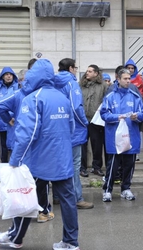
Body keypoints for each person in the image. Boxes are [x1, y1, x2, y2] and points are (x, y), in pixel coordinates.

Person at [0, 59, 80, 250]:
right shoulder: (62, 97)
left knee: (24, 196)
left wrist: (15, 161)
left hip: (38, 159)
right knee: (67, 200)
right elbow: (71, 127)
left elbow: (26, 135)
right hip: (61, 158)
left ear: (34, 77)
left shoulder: (32, 98)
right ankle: (71, 242)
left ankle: (16, 238)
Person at [100, 68, 143, 202]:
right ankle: (107, 190)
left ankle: (125, 188)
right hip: (114, 136)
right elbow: (103, 114)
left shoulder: (135, 96)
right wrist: (117, 117)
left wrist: (137, 116)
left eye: (129, 78)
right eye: (125, 79)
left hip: (131, 135)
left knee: (129, 164)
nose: (128, 81)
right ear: (118, 79)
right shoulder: (109, 96)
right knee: (113, 165)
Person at [54, 58, 94, 210]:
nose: (76, 70)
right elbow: (76, 107)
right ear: (71, 68)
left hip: (57, 130)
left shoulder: (53, 83)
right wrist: (85, 122)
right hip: (73, 131)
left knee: (60, 164)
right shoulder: (71, 83)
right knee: (74, 166)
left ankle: (58, 196)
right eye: (75, 68)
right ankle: (77, 197)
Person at [80, 64, 108, 177]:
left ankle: (97, 167)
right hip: (83, 119)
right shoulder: (81, 85)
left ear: (96, 73)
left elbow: (106, 101)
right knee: (82, 144)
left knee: (97, 145)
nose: (87, 73)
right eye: (87, 71)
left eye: (90, 71)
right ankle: (82, 168)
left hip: (96, 120)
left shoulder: (103, 86)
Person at [0, 67, 19, 163]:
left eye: (10, 74)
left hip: (14, 123)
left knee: (15, 146)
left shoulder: (18, 87)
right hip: (1, 123)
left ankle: (15, 166)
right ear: (2, 77)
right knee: (3, 147)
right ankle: (4, 166)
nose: (9, 76)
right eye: (6, 74)